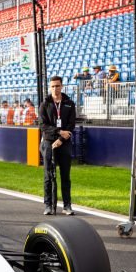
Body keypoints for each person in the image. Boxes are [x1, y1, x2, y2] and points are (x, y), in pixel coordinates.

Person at [39, 76, 76, 216]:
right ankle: (48, 205)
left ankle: (67, 205)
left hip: (64, 143)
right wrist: (58, 132)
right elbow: (42, 125)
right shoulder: (45, 104)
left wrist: (61, 139)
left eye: (57, 86)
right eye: (53, 86)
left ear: (62, 86)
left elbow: (71, 125)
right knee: (48, 175)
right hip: (48, 142)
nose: (55, 88)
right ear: (50, 87)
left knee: (65, 175)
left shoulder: (69, 103)